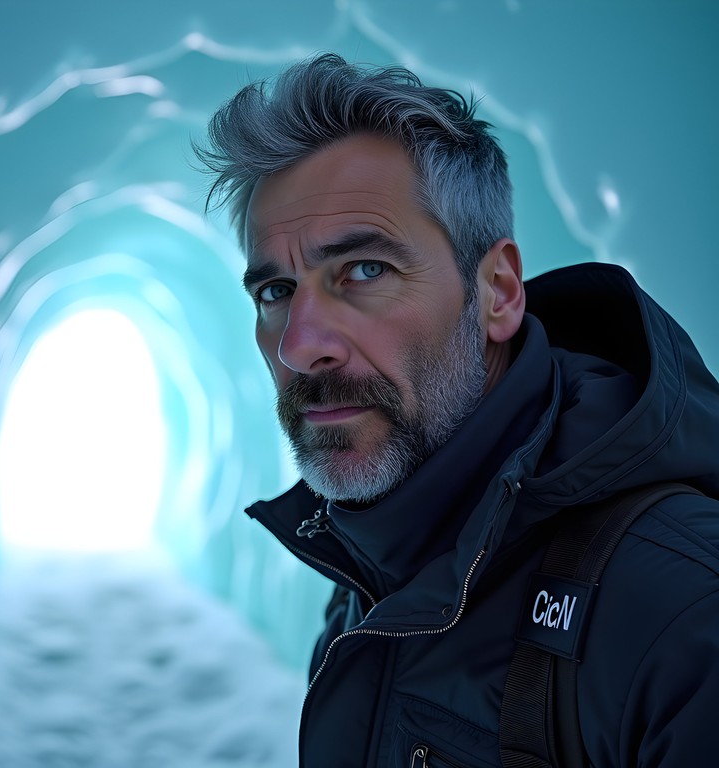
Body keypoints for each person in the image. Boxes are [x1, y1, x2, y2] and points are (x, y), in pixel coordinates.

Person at [195, 53, 719, 767]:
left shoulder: (683, 614)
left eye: (365, 270)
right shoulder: (367, 576)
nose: (299, 345)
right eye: (276, 292)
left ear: (497, 291)